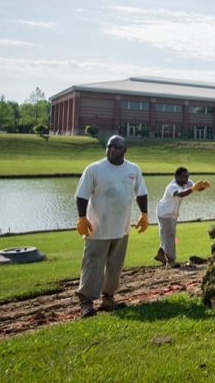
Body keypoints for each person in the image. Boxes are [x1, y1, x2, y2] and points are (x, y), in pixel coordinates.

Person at [74, 135, 149, 318]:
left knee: (115, 265)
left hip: (121, 227)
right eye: (109, 146)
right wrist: (82, 218)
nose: (112, 150)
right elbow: (82, 195)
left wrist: (144, 214)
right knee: (93, 263)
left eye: (116, 147)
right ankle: (86, 302)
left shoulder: (133, 169)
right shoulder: (95, 169)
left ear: (124, 149)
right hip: (97, 228)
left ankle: (108, 299)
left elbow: (141, 193)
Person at [154, 167, 209, 268]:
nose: (186, 178)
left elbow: (196, 188)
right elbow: (181, 193)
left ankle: (160, 254)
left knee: (168, 235)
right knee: (170, 235)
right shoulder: (172, 186)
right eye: (184, 176)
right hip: (165, 213)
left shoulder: (187, 182)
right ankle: (171, 261)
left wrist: (203, 186)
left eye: (187, 176)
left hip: (173, 213)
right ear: (177, 176)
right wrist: (193, 188)